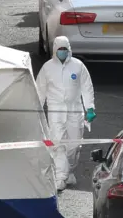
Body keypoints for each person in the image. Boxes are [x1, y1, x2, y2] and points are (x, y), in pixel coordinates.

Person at [36, 36, 96, 191]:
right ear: (55, 50)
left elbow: (86, 87)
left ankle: (68, 171)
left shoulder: (78, 66)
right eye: (59, 49)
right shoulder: (47, 68)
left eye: (65, 49)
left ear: (69, 49)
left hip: (75, 110)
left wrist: (90, 108)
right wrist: (36, 109)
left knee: (74, 146)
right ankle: (60, 177)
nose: (62, 52)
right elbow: (40, 90)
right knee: (58, 145)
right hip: (55, 111)